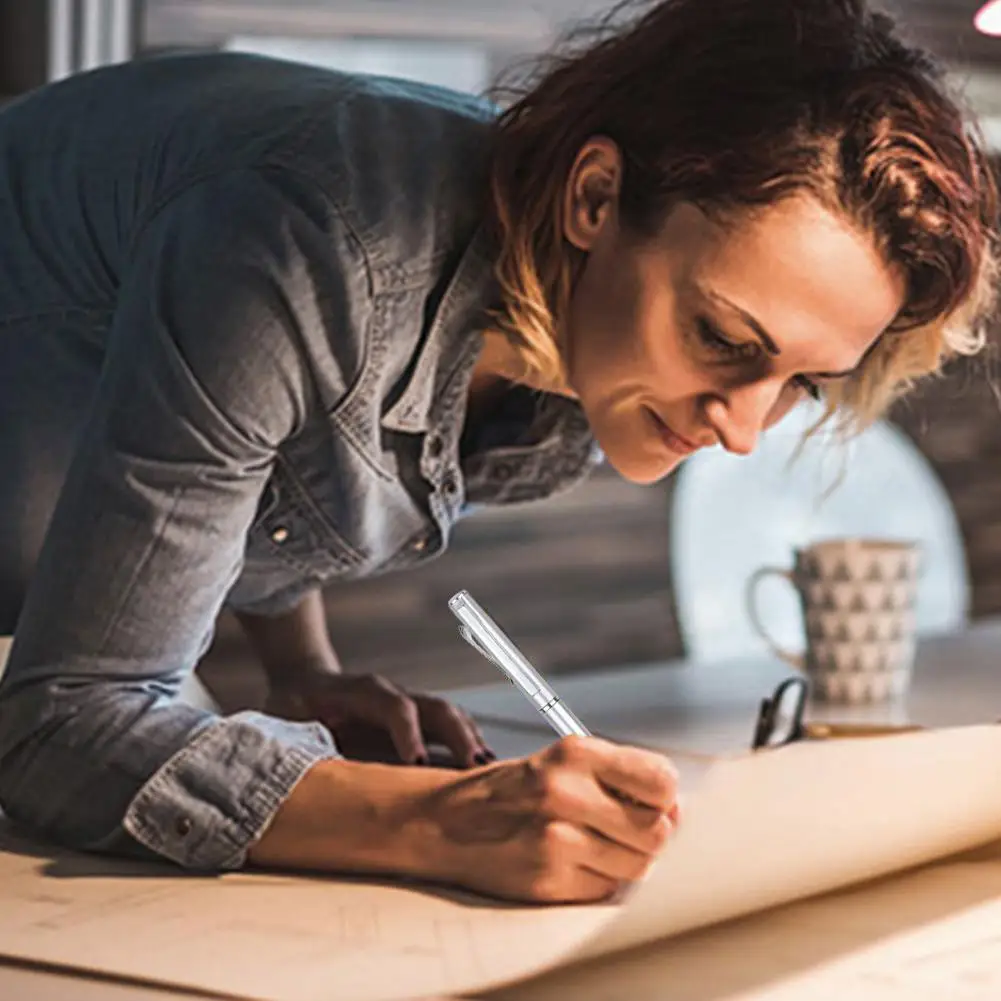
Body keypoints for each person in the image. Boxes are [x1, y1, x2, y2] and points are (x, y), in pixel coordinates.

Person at [0, 0, 996, 906]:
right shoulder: (306, 238)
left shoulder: (568, 343)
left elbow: (256, 436)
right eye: (725, 341)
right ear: (596, 198)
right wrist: (436, 822)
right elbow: (59, 728)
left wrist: (302, 667)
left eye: (797, 383)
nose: (740, 429)